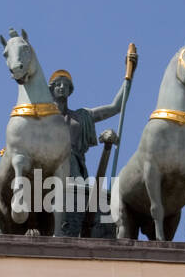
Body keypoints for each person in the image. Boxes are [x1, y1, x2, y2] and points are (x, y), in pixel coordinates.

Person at [48, 69, 130, 236]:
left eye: (66, 84)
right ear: (52, 89)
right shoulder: (42, 117)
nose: (62, 87)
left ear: (70, 90)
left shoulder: (81, 116)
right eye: (58, 84)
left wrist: (128, 78)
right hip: (48, 170)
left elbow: (115, 107)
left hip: (75, 170)